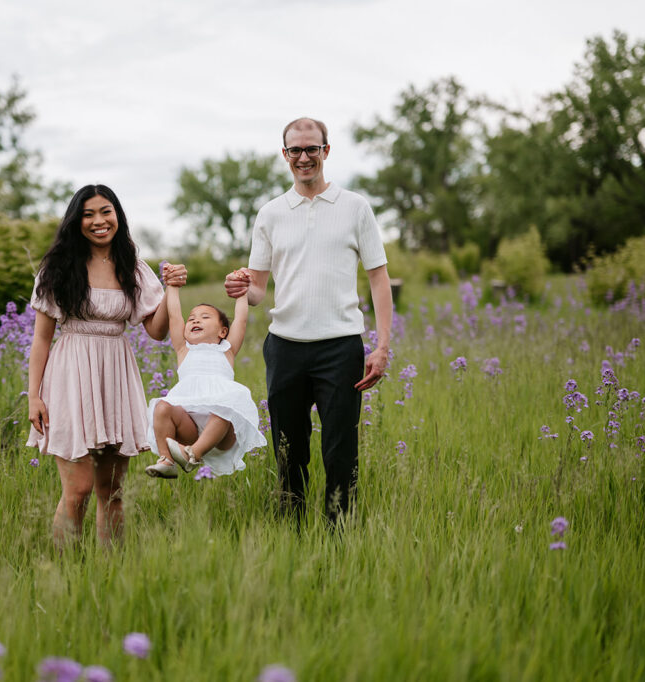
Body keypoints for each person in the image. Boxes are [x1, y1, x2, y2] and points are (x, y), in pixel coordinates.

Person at [224, 117, 394, 526]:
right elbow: (259, 291)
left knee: (340, 450)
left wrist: (382, 346)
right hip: (285, 346)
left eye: (311, 149)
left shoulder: (355, 207)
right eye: (295, 150)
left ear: (326, 152)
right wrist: (240, 287)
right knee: (289, 448)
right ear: (285, 156)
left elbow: (378, 278)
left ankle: (340, 534)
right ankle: (293, 531)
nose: (303, 157)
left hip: (341, 346)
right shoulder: (270, 214)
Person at [26, 184, 185, 548]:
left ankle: (110, 572)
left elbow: (156, 331)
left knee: (111, 490)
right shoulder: (59, 267)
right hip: (70, 374)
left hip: (115, 372)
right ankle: (62, 572)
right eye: (88, 214)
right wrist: (33, 396)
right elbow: (41, 339)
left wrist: (170, 288)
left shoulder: (133, 266)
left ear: (118, 216)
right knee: (78, 489)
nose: (99, 221)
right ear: (76, 221)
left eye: (106, 212)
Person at [144, 265, 266, 478]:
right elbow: (174, 316)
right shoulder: (184, 349)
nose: (195, 320)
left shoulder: (226, 350)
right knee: (162, 406)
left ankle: (193, 454)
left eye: (204, 317)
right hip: (189, 427)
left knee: (226, 404)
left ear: (223, 331)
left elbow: (241, 320)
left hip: (221, 429)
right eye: (191, 318)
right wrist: (172, 285)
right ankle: (167, 459)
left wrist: (242, 293)